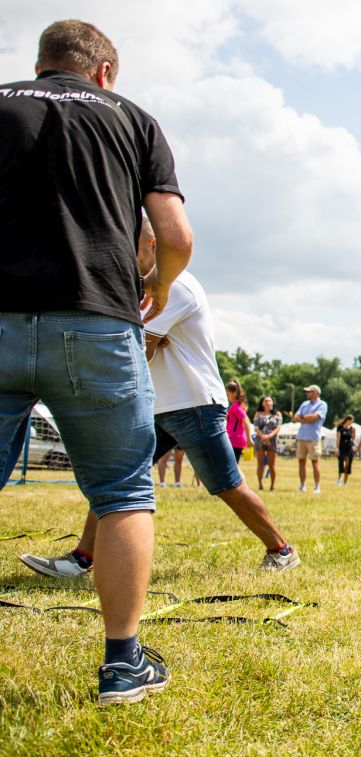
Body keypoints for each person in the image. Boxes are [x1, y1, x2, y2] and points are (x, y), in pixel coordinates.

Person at [0, 20, 193, 705]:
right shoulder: (133, 120)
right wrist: (159, 286)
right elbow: (173, 234)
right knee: (120, 493)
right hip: (97, 320)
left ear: (41, 64)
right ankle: (122, 664)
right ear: (104, 72)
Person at [20, 222, 300, 586]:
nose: (118, 252)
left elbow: (135, 347)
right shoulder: (143, 290)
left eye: (128, 244)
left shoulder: (177, 285)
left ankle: (281, 550)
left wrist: (135, 340)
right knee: (118, 475)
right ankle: (82, 558)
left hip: (193, 403)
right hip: (159, 404)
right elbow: (135, 343)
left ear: (152, 244)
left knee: (226, 484)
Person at [293, 385, 327, 493]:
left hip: (313, 438)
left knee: (315, 462)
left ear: (316, 393)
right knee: (301, 461)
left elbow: (315, 417)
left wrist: (302, 418)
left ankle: (317, 486)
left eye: (309, 392)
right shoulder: (304, 404)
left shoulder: (322, 404)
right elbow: (295, 417)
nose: (307, 393)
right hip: (302, 437)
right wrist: (307, 419)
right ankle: (302, 485)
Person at [253, 395, 282, 491]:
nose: (268, 402)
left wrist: (269, 437)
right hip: (260, 439)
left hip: (272, 440)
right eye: (266, 401)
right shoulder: (258, 414)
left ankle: (272, 485)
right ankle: (260, 484)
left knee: (271, 464)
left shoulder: (277, 414)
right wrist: (263, 437)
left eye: (270, 401)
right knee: (260, 463)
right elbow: (256, 428)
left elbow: (278, 428)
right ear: (262, 403)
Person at [225, 380, 250, 462]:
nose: (227, 396)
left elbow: (246, 420)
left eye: (228, 394)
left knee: (232, 467)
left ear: (234, 393)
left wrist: (249, 439)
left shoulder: (236, 406)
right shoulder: (236, 405)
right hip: (233, 439)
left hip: (235, 439)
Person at [335, 414, 356, 486]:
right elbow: (338, 438)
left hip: (349, 448)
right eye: (351, 421)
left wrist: (354, 433)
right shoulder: (340, 427)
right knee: (341, 463)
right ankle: (339, 478)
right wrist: (337, 448)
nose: (352, 423)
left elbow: (352, 438)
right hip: (341, 448)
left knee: (348, 465)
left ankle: (345, 482)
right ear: (347, 420)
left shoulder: (352, 428)